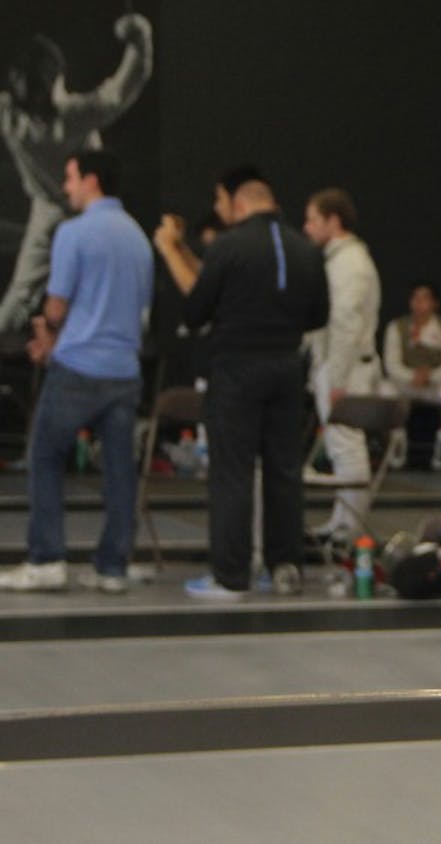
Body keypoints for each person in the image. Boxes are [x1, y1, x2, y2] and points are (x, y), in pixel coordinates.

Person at [154, 166, 329, 599]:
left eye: (221, 203)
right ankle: (286, 567)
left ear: (239, 203)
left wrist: (172, 252)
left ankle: (230, 575)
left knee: (233, 471)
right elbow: (319, 315)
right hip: (287, 368)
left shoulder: (229, 245)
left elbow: (196, 310)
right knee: (284, 470)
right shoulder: (306, 248)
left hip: (237, 367)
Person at [0, 150, 151, 594]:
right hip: (124, 370)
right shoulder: (138, 237)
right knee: (119, 470)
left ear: (91, 180)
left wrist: (47, 336)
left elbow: (56, 305)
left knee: (45, 457)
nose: (65, 187)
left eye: (70, 178)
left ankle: (47, 559)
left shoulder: (74, 232)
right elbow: (141, 307)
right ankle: (112, 567)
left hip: (79, 367)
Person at [0, 14, 153, 334]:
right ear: (55, 79)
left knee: (20, 296)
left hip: (49, 212)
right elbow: (120, 92)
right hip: (90, 210)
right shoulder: (74, 116)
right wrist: (139, 38)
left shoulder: (10, 119)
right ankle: (134, 340)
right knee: (122, 282)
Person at [302, 188, 381, 535]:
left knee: (347, 447)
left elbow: (346, 324)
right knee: (339, 447)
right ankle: (342, 521)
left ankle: (350, 528)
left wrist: (336, 379)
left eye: (313, 220)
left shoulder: (350, 263)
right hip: (341, 366)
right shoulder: (339, 260)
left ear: (333, 221)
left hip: (347, 369)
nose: (307, 228)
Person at [380, 282, 441, 470]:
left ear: (435, 303)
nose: (419, 303)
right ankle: (397, 439)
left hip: (436, 384)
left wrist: (430, 376)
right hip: (406, 383)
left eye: (425, 299)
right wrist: (412, 377)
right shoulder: (396, 327)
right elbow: (391, 365)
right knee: (384, 390)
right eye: (415, 298)